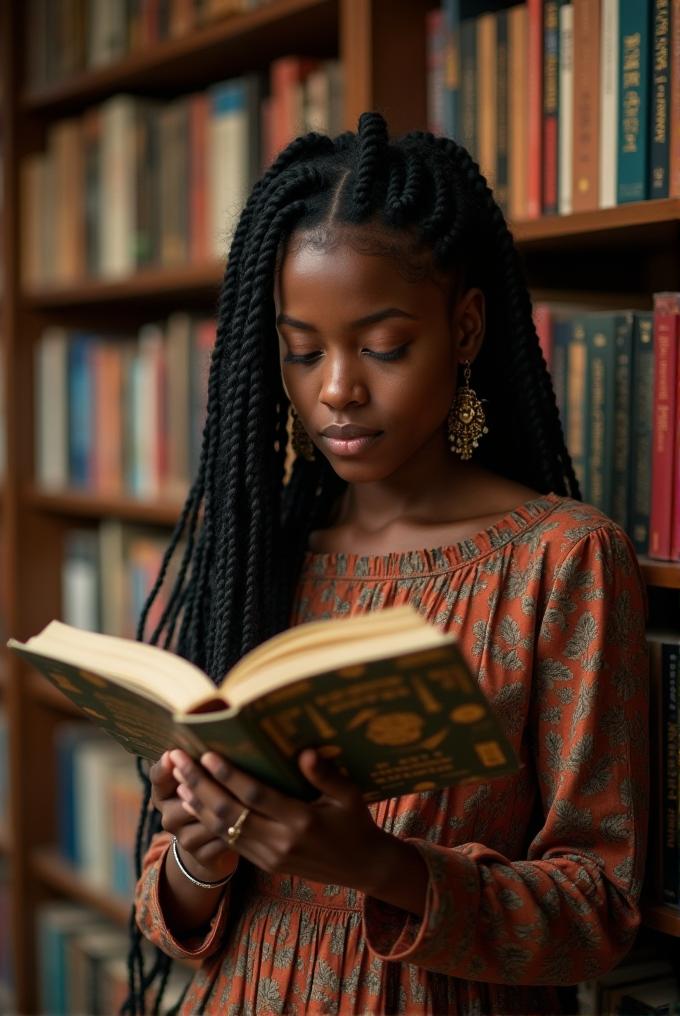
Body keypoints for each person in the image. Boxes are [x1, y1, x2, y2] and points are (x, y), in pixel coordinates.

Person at [131, 113, 648, 1016]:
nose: (337, 387)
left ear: (466, 327)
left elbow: (597, 915)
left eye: (382, 347)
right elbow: (165, 915)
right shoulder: (263, 554)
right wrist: (197, 852)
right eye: (302, 351)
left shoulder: (562, 559)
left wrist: (379, 865)